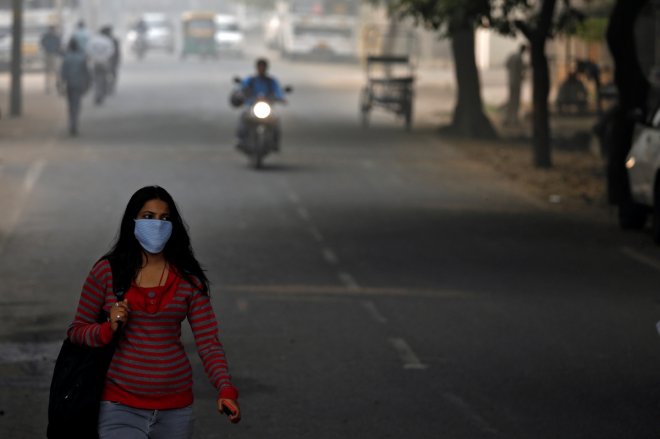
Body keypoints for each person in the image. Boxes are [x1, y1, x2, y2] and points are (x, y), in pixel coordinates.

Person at [66, 185, 241, 438]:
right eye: (148, 217)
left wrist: (226, 390)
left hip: (176, 410)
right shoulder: (107, 272)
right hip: (118, 406)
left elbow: (208, 342)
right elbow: (76, 331)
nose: (157, 225)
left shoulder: (188, 280)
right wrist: (108, 328)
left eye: (164, 218)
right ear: (133, 221)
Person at [236, 57, 286, 149]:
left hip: (267, 107)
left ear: (266, 68)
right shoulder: (250, 80)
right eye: (260, 67)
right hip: (252, 106)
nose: (261, 69)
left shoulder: (271, 81)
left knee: (276, 120)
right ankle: (241, 140)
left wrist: (281, 98)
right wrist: (240, 95)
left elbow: (278, 91)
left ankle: (275, 142)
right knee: (243, 117)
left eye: (263, 67)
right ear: (257, 68)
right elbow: (241, 88)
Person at [60, 38, 90, 136]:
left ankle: (72, 124)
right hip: (79, 84)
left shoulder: (66, 58)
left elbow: (63, 74)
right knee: (76, 106)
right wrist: (87, 84)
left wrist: (60, 85)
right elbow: (86, 73)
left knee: (71, 106)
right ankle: (74, 125)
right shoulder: (82, 58)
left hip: (70, 85)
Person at [86, 26, 116, 105]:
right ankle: (101, 95)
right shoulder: (107, 41)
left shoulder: (93, 40)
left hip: (94, 62)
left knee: (96, 80)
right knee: (104, 79)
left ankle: (97, 95)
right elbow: (111, 52)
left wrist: (94, 57)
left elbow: (88, 50)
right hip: (104, 62)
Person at [504, 45, 526, 126]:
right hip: (516, 82)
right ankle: (513, 119)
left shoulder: (512, 56)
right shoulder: (519, 58)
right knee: (515, 101)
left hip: (511, 81)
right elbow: (521, 71)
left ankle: (508, 119)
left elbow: (506, 65)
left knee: (511, 101)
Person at [40, 25, 62, 94]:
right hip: (54, 55)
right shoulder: (56, 36)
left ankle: (48, 87)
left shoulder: (46, 36)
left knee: (48, 72)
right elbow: (59, 45)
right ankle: (55, 87)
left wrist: (46, 48)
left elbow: (42, 43)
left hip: (48, 54)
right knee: (56, 71)